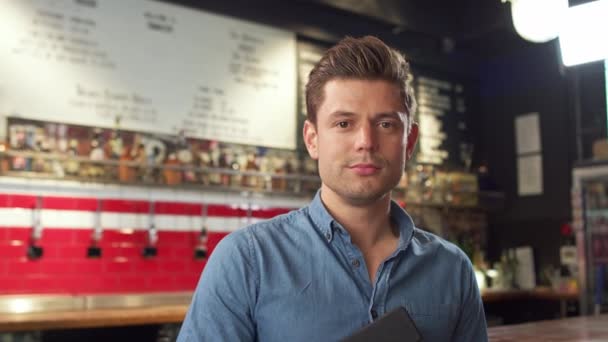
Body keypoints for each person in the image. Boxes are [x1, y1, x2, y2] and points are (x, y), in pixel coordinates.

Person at [177, 35, 488, 342]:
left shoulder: (452, 269)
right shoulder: (246, 260)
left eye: (386, 124)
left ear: (409, 142)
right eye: (343, 124)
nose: (366, 141)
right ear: (312, 139)